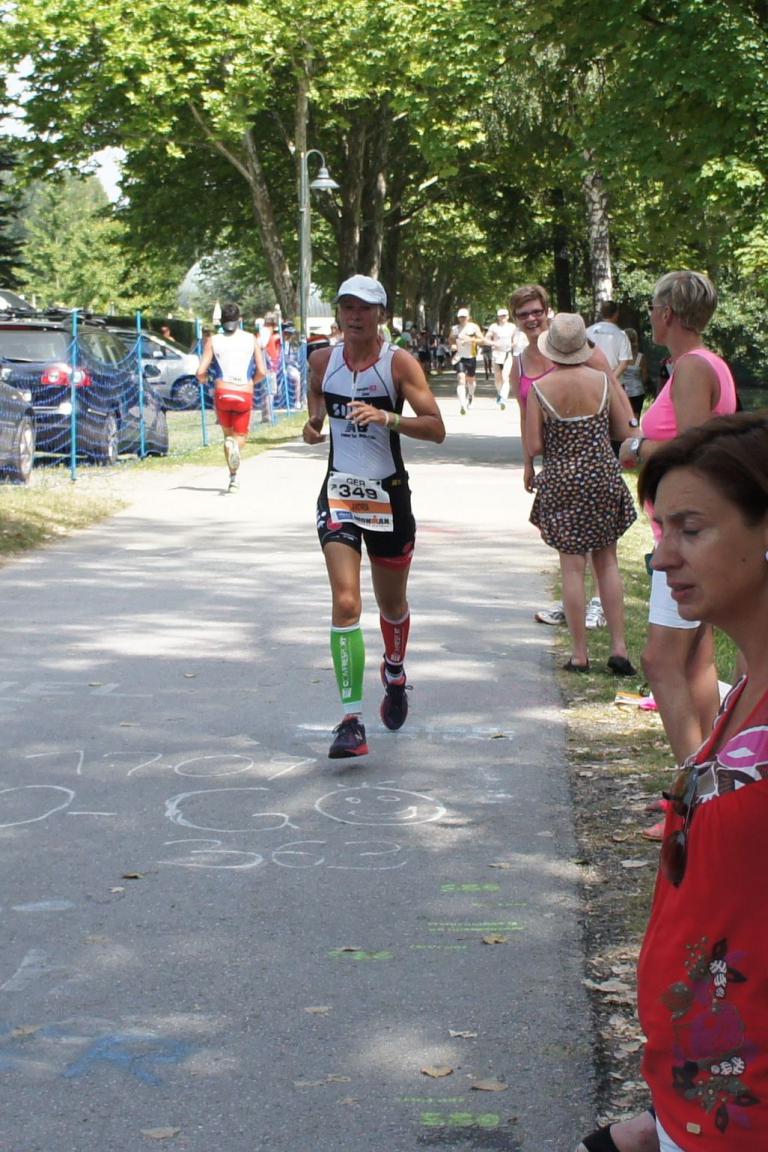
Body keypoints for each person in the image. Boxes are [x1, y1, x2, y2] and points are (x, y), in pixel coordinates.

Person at [630, 411, 768, 1152]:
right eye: (661, 531)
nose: (663, 558)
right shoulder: (747, 688)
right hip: (693, 1091)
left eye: (691, 529)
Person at [302, 274, 445, 759]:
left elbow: (437, 428)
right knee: (346, 603)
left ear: (381, 314)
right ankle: (351, 720)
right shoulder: (322, 360)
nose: (354, 316)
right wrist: (314, 423)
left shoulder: (398, 363)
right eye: (347, 307)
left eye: (364, 308)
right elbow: (317, 396)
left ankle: (395, 670)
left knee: (392, 604)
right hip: (339, 494)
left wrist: (389, 418)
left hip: (388, 496)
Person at [618, 271, 738, 778]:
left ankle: (692, 788)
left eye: (652, 307)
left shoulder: (692, 367)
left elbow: (694, 447)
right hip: (690, 528)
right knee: (695, 661)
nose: (649, 315)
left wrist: (637, 447)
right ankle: (716, 777)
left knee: (660, 661)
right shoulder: (708, 364)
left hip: (686, 536)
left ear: (667, 313)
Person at [526, 313, 637, 674]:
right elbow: (622, 429)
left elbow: (534, 444)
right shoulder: (602, 381)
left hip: (562, 479)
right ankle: (619, 649)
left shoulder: (540, 389)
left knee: (572, 568)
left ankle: (579, 654)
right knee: (608, 562)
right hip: (601, 475)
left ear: (552, 350)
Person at [196, 302, 265, 493]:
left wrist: (204, 379)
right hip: (244, 392)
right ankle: (234, 452)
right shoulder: (251, 339)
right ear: (239, 320)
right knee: (240, 436)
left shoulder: (213, 340)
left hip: (222, 392)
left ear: (221, 321)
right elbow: (262, 371)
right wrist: (251, 382)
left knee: (227, 435)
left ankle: (233, 478)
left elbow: (200, 371)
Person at [449, 307, 484, 414]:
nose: (462, 319)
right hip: (459, 357)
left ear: (468, 317)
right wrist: (453, 345)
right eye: (460, 317)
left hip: (471, 356)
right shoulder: (455, 329)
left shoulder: (474, 327)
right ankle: (463, 405)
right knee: (461, 378)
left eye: (464, 317)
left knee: (471, 380)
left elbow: (482, 340)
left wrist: (471, 339)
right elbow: (450, 339)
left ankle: (471, 396)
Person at [586, 301, 632, 382]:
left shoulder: (588, 331)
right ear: (616, 313)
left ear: (602, 313)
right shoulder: (621, 335)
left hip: (591, 380)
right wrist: (610, 380)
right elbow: (624, 363)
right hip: (614, 383)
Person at [483, 307, 517, 410]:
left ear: (508, 316)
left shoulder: (512, 327)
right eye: (500, 316)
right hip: (496, 354)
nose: (502, 318)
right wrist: (494, 343)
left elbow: (515, 340)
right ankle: (499, 393)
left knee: (505, 377)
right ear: (498, 317)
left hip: (507, 353)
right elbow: (486, 340)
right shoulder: (493, 327)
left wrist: (512, 344)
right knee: (498, 378)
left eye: (504, 316)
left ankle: (503, 398)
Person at [621, 327, 649, 419]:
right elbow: (645, 378)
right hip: (638, 391)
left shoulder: (619, 357)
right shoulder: (641, 357)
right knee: (636, 416)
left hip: (622, 391)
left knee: (623, 417)